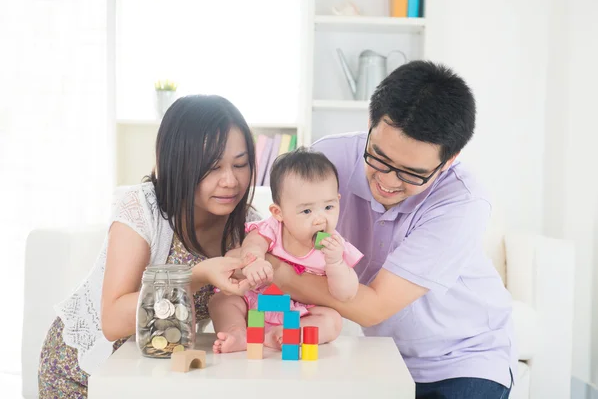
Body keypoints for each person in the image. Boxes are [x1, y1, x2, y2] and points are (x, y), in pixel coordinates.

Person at [269, 61, 516, 399]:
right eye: (379, 158)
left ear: (449, 161)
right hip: (383, 355)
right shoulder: (329, 161)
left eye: (410, 173)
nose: (385, 181)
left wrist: (282, 274)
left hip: (463, 359)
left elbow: (373, 306)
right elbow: (279, 231)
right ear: (370, 123)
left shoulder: (462, 201)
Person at [38, 94, 261, 398]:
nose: (231, 181)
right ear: (177, 164)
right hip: (85, 371)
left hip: (153, 372)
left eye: (240, 164)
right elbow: (113, 321)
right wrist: (197, 275)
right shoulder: (144, 208)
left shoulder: (249, 226)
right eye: (212, 168)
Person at [209, 148, 363, 353]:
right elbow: (253, 244)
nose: (320, 219)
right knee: (221, 300)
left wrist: (335, 263)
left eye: (328, 207)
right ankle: (238, 332)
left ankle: (289, 334)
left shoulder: (336, 245)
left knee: (333, 321)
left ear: (338, 200)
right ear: (278, 213)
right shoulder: (273, 228)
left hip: (300, 311)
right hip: (258, 300)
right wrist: (255, 261)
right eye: (307, 211)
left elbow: (346, 294)